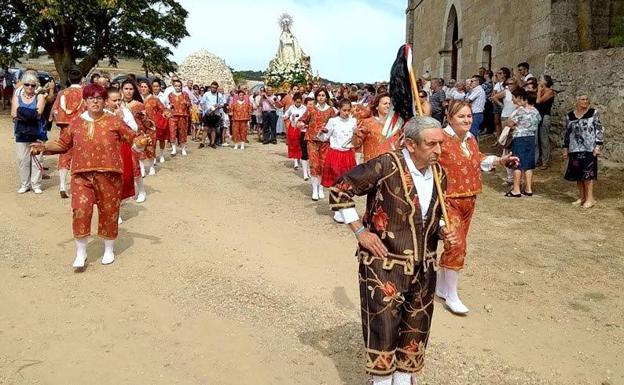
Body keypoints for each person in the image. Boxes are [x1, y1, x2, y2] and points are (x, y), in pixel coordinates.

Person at [329, 116, 458, 385]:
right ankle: (381, 382)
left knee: (416, 328)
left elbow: (431, 214)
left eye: (440, 144)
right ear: (410, 144)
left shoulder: (439, 174)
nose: (438, 150)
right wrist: (360, 231)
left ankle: (402, 379)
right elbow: (340, 191)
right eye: (431, 144)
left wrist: (444, 228)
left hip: (424, 268)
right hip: (384, 265)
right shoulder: (386, 165)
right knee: (383, 328)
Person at [30, 83, 149, 268]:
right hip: (81, 176)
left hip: (109, 175)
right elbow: (63, 144)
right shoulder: (76, 122)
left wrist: (141, 142)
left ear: (104, 101)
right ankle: (81, 253)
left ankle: (108, 249)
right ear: (85, 100)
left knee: (109, 212)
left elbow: (133, 138)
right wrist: (44, 147)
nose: (95, 101)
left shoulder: (114, 121)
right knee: (80, 210)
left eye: (99, 98)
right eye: (91, 98)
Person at [436, 100, 518, 314]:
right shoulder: (440, 139)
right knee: (457, 245)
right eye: (462, 116)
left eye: (469, 116)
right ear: (450, 117)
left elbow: (478, 159)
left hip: (469, 198)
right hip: (447, 200)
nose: (467, 120)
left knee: (455, 244)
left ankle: (442, 287)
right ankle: (452, 295)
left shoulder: (471, 139)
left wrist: (500, 161)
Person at [563, 93, 603, 209]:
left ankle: (590, 198)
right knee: (578, 174)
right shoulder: (570, 116)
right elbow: (567, 133)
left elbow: (599, 129)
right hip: (574, 148)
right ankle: (582, 197)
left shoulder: (593, 113)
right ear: (576, 101)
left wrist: (598, 146)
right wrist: (565, 148)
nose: (585, 101)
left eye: (586, 99)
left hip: (589, 148)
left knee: (588, 174)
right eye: (582, 99)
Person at [319, 99, 357, 222]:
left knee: (347, 182)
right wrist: (321, 132)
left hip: (348, 154)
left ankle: (345, 206)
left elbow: (356, 139)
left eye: (348, 110)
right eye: (344, 110)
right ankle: (337, 210)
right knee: (336, 182)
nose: (346, 112)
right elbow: (325, 137)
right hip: (335, 153)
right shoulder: (333, 121)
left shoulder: (354, 121)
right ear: (339, 109)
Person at [51, 68, 84, 198]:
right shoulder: (84, 93)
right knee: (81, 155)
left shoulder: (62, 93)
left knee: (64, 155)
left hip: (65, 128)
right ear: (81, 79)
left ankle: (62, 185)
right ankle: (79, 184)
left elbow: (55, 110)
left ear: (69, 79)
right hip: (81, 128)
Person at [11, 70, 46, 194]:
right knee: (22, 159)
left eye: (33, 85)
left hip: (37, 132)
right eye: (27, 84)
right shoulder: (17, 95)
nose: (30, 87)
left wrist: (22, 112)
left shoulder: (40, 96)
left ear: (36, 85)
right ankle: (24, 184)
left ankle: (36, 184)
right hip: (21, 132)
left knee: (37, 158)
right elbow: (14, 114)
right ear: (23, 85)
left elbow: (39, 113)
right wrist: (30, 114)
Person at [299, 89, 335, 200]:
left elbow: (334, 125)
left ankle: (320, 188)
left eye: (323, 95)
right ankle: (314, 189)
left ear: (326, 97)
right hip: (312, 140)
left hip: (325, 142)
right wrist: (300, 124)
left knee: (323, 166)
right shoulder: (311, 109)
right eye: (319, 95)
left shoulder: (331, 111)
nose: (321, 97)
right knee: (314, 165)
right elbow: (302, 120)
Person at [505, 88, 540, 197]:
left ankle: (516, 189)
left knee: (517, 163)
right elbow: (538, 121)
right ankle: (528, 188)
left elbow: (509, 123)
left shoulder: (519, 111)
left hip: (520, 137)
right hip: (531, 137)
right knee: (528, 164)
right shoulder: (535, 111)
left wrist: (517, 126)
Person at [121, 80, 150, 202]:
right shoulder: (117, 104)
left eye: (131, 89)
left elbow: (147, 123)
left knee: (134, 166)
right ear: (121, 90)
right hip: (119, 139)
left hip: (134, 139)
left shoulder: (139, 105)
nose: (128, 91)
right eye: (126, 89)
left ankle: (142, 190)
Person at [351, 93, 400, 163]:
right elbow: (355, 144)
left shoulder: (396, 125)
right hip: (373, 167)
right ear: (377, 106)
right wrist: (355, 134)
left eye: (390, 104)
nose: (388, 106)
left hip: (392, 166)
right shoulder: (367, 123)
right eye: (385, 103)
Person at [536, 75, 555, 169]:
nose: (539, 81)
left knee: (544, 139)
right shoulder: (542, 91)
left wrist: (539, 90)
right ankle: (539, 158)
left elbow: (539, 101)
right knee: (538, 140)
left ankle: (545, 161)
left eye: (541, 80)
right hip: (538, 116)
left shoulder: (550, 91)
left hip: (545, 117)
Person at [168, 78, 191, 155]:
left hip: (183, 116)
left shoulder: (185, 94)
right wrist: (169, 106)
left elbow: (190, 104)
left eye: (179, 86)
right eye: (176, 86)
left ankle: (183, 148)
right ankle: (174, 148)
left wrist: (186, 103)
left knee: (183, 132)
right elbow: (168, 104)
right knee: (172, 132)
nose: (178, 87)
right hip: (173, 116)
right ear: (173, 86)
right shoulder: (170, 95)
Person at [284, 92, 306, 171]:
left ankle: (299, 159)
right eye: (297, 102)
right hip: (293, 127)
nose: (298, 103)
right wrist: (286, 116)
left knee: (300, 144)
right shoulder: (291, 108)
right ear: (294, 101)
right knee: (294, 144)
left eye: (300, 102)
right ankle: (295, 161)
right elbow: (286, 113)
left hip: (301, 128)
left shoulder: (304, 108)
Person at [199, 81, 224, 148]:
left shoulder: (220, 95)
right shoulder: (206, 94)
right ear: (210, 87)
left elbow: (222, 104)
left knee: (213, 129)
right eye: (212, 87)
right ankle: (202, 142)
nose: (214, 89)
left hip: (216, 114)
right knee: (206, 128)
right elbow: (202, 103)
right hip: (208, 113)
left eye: (215, 88)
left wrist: (218, 107)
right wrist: (206, 110)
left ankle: (212, 143)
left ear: (217, 88)